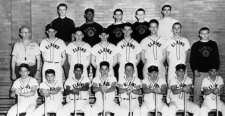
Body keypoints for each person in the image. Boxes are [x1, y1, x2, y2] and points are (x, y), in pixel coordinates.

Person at [190, 27, 220, 105]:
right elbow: (192, 59)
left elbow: (216, 57)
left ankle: (210, 107)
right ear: (200, 34)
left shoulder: (213, 44)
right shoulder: (196, 45)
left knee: (211, 91)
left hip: (211, 72)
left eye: (206, 33)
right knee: (197, 92)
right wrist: (195, 70)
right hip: (199, 72)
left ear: (209, 34)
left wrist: (215, 69)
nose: (205, 35)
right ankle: (196, 110)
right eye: (203, 33)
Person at [132, 8, 150, 80]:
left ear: (144, 15)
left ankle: (147, 82)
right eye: (139, 14)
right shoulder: (133, 26)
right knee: (138, 67)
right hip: (137, 50)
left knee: (146, 66)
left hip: (146, 50)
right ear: (136, 15)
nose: (140, 15)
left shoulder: (148, 25)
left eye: (142, 14)